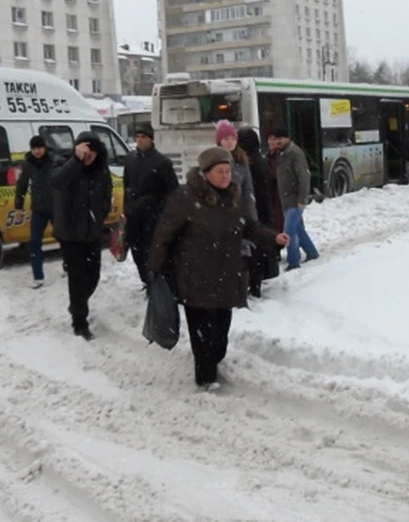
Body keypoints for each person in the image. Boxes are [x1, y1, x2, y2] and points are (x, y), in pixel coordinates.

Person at [148, 147, 289, 389]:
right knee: (202, 332)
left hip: (226, 275)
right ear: (205, 173)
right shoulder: (186, 198)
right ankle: (205, 378)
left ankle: (213, 361)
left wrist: (273, 237)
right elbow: (164, 234)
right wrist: (156, 268)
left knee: (221, 332)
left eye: (228, 171)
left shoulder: (233, 197)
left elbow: (249, 226)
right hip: (195, 278)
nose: (226, 176)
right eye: (220, 172)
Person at [51, 131, 113, 341]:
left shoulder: (101, 170)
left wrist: (100, 215)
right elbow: (57, 182)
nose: (89, 157)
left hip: (92, 232)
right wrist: (76, 160)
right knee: (76, 279)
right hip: (69, 233)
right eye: (85, 152)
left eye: (92, 153)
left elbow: (107, 195)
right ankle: (80, 322)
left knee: (93, 277)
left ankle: (77, 303)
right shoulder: (64, 164)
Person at [123, 122, 178, 290]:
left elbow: (172, 191)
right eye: (137, 137)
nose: (140, 141)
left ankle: (154, 281)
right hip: (133, 214)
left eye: (143, 137)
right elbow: (127, 185)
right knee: (136, 250)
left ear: (151, 139)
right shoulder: (131, 159)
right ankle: (146, 280)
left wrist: (158, 209)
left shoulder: (162, 162)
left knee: (151, 250)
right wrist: (127, 209)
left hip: (152, 216)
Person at [272, 128, 319, 271]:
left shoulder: (295, 153)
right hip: (286, 200)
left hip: (294, 200)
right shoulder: (281, 154)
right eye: (276, 138)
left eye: (281, 138)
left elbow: (304, 177)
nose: (278, 141)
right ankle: (312, 252)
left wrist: (303, 199)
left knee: (288, 232)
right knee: (297, 229)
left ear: (288, 138)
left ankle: (293, 261)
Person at [238, 128, 277, 298]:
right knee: (260, 250)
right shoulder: (258, 160)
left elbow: (255, 192)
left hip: (258, 212)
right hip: (263, 211)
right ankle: (256, 283)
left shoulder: (251, 163)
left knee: (256, 252)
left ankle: (255, 286)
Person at [14, 136, 54, 288]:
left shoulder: (54, 160)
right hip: (38, 209)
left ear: (44, 147)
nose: (37, 151)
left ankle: (68, 266)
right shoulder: (28, 164)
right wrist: (19, 207)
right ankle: (38, 276)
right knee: (34, 242)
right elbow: (21, 186)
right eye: (34, 148)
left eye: (39, 148)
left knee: (64, 238)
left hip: (56, 207)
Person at [216, 120, 257, 222]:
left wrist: (252, 218)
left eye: (233, 139)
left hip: (239, 213)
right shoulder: (213, 159)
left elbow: (248, 190)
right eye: (226, 139)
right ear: (219, 141)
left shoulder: (241, 160)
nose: (230, 142)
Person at [265, 131, 284, 233]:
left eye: (274, 139)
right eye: (269, 139)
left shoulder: (280, 156)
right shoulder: (267, 156)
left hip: (280, 197)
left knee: (288, 228)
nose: (271, 142)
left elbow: (276, 173)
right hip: (272, 196)